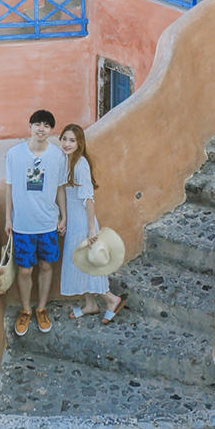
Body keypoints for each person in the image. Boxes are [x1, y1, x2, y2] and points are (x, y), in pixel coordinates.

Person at [5, 109, 67, 336]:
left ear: (51, 131)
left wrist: (64, 216)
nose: (42, 129)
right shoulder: (14, 154)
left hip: (48, 223)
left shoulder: (58, 156)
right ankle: (25, 310)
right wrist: (7, 218)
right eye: (38, 124)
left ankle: (41, 309)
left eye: (47, 126)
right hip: (22, 224)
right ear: (30, 126)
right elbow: (9, 188)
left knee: (46, 266)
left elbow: (60, 188)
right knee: (24, 270)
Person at [59, 123, 126, 324]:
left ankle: (111, 299)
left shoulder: (80, 164)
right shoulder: (65, 161)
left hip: (82, 220)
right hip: (72, 219)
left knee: (88, 261)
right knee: (79, 261)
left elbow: (88, 198)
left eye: (72, 140)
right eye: (64, 139)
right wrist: (63, 218)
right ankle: (90, 304)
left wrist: (90, 228)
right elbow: (61, 191)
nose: (67, 143)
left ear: (79, 143)